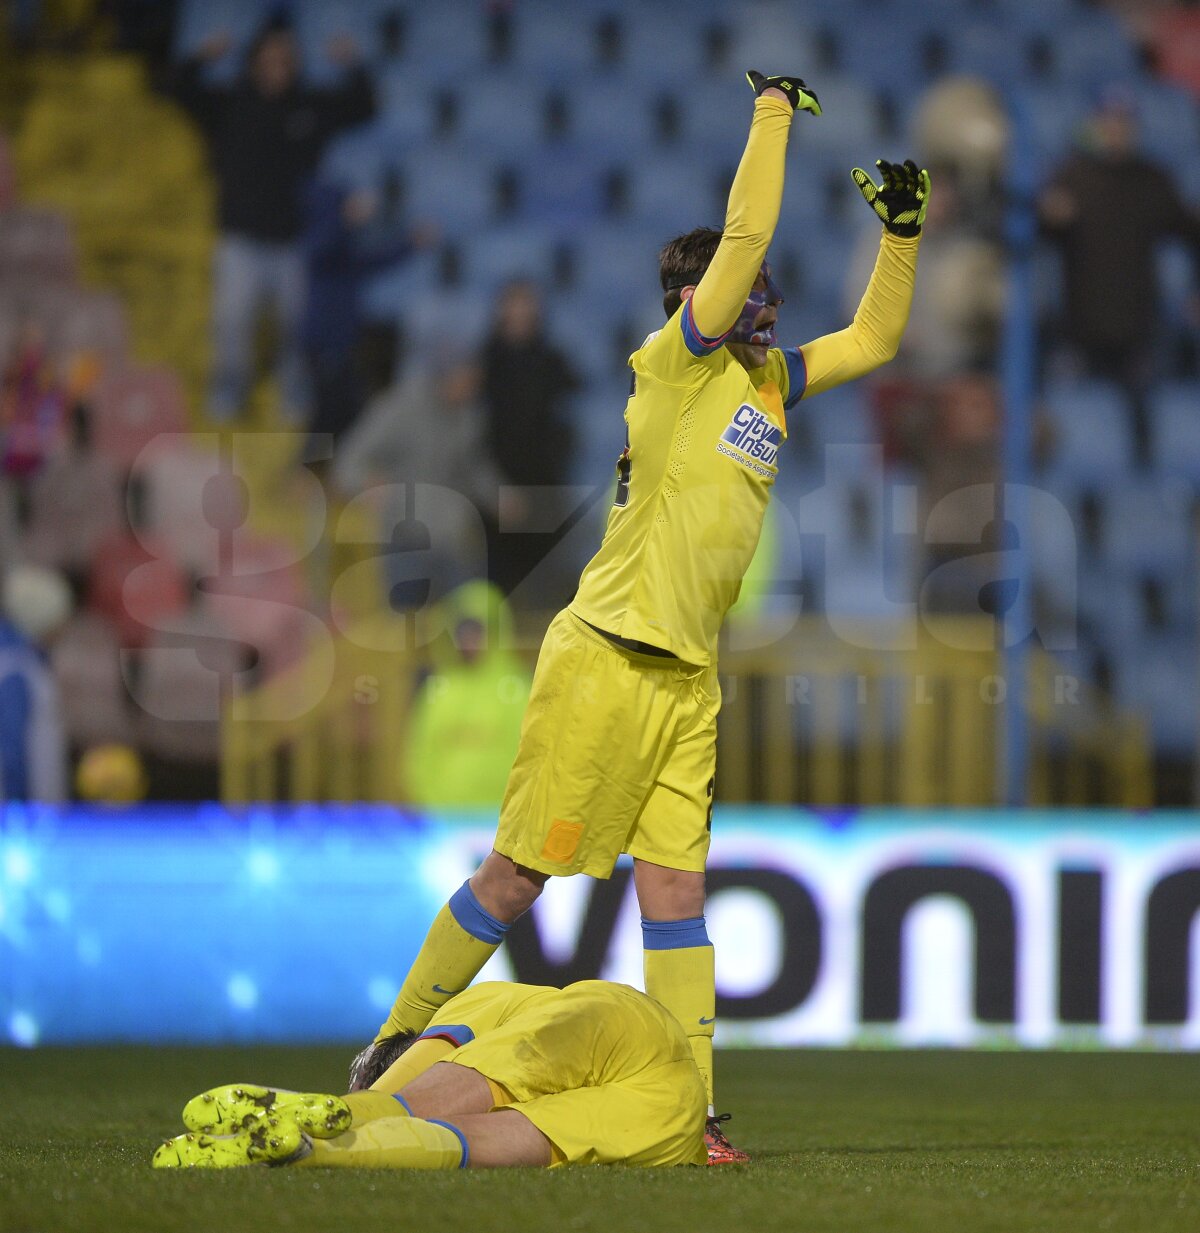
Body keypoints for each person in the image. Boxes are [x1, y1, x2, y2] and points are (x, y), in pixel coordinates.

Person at [357, 71, 927, 1165]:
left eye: (764, 291)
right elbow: (750, 228)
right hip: (607, 660)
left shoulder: (765, 386)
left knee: (676, 897)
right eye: (745, 288)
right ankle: (388, 1043)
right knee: (515, 879)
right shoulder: (677, 368)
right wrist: (773, 111)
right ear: (694, 299)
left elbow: (876, 342)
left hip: (687, 680)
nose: (768, 303)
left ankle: (700, 1114)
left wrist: (901, 233)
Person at [152, 980, 706, 1170]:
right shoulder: (484, 1011)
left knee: (472, 1095)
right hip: (671, 1120)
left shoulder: (463, 1015)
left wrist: (360, 1103)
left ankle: (336, 1124)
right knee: (507, 1139)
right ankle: (314, 1152)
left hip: (625, 1027)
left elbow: (434, 1063)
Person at [168, 14, 376, 421]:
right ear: (254, 61)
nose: (278, 68)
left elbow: (364, 106)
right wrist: (200, 57)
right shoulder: (230, 102)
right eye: (270, 59)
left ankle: (292, 393)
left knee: (297, 329)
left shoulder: (309, 106)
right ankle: (229, 390)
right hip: (239, 239)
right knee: (230, 324)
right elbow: (176, 90)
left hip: (293, 242)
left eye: (286, 60)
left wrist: (353, 65)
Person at [1038, 86, 1200, 457]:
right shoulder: (1071, 177)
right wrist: (1046, 214)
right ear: (1095, 125)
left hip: (1140, 328)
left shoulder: (1153, 181)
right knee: (1076, 422)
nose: (1117, 130)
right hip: (1080, 327)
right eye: (1109, 121)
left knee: (1147, 430)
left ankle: (1146, 484)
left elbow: (1192, 232)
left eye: (1124, 122)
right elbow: (1034, 232)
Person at [333, 353, 508, 611]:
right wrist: (366, 482)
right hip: (405, 537)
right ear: (445, 376)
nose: (472, 389)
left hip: (452, 538)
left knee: (466, 625)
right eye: (467, 380)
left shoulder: (471, 417)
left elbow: (474, 468)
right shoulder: (399, 408)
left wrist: (497, 496)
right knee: (406, 628)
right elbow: (348, 461)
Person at [300, 180, 436, 456]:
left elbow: (377, 260)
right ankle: (307, 468)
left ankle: (329, 469)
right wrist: (344, 218)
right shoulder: (321, 250)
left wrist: (410, 244)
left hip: (342, 344)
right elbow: (323, 245)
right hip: (323, 343)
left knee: (350, 407)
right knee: (328, 407)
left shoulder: (347, 255)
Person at [479, 280, 580, 606]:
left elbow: (575, 402)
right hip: (499, 480)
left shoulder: (551, 360)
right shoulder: (485, 363)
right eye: (515, 304)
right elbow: (473, 433)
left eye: (527, 305)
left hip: (544, 478)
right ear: (501, 311)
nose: (521, 313)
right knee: (500, 575)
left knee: (546, 573)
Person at [403, 581, 531, 809]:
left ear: (495, 631)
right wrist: (432, 808)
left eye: (478, 631)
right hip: (445, 824)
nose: (469, 640)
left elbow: (533, 758)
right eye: (463, 631)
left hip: (502, 823)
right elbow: (418, 756)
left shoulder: (519, 690)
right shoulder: (438, 691)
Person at [0, 564, 71, 801]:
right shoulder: (16, 669)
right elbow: (10, 755)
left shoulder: (25, 662)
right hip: (23, 823)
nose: (64, 629)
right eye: (60, 618)